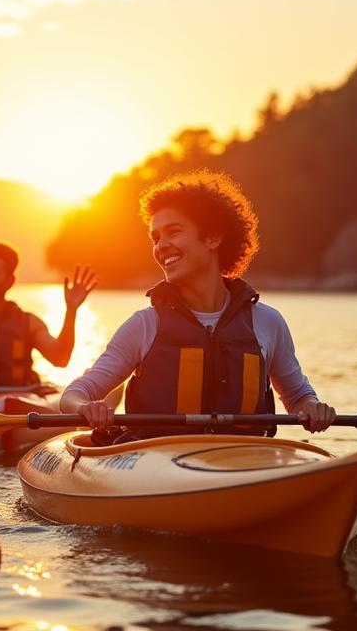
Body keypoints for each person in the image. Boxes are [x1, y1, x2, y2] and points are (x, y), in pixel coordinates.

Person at [60, 171, 336, 440]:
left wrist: (313, 408)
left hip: (245, 457)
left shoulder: (267, 322)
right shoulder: (144, 325)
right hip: (155, 458)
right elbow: (73, 395)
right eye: (156, 238)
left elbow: (298, 398)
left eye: (173, 232)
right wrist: (85, 407)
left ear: (212, 238)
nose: (161, 246)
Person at [0, 243, 97, 398]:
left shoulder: (29, 323)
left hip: (20, 402)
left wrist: (71, 310)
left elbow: (60, 359)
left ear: (10, 280)